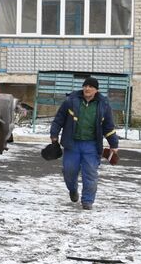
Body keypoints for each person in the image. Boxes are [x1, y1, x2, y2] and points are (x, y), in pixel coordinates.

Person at [48, 75, 120, 211]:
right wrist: (54, 135)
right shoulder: (71, 101)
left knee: (90, 173)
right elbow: (59, 119)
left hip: (92, 146)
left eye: (91, 87)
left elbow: (109, 127)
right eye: (85, 86)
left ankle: (87, 201)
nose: (87, 88)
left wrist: (114, 145)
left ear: (96, 90)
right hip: (72, 143)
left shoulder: (103, 105)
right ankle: (73, 189)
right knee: (69, 171)